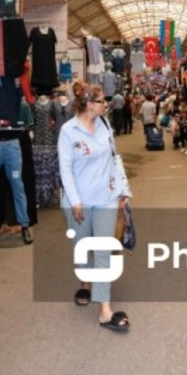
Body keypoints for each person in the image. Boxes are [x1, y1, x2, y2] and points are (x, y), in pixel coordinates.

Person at [58, 81, 132, 331]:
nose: (106, 104)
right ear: (89, 104)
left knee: (102, 249)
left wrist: (123, 190)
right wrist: (75, 200)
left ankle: (104, 309)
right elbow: (65, 170)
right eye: (102, 101)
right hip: (78, 200)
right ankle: (84, 283)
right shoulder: (68, 131)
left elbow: (114, 158)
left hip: (106, 196)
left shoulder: (105, 125)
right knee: (82, 248)